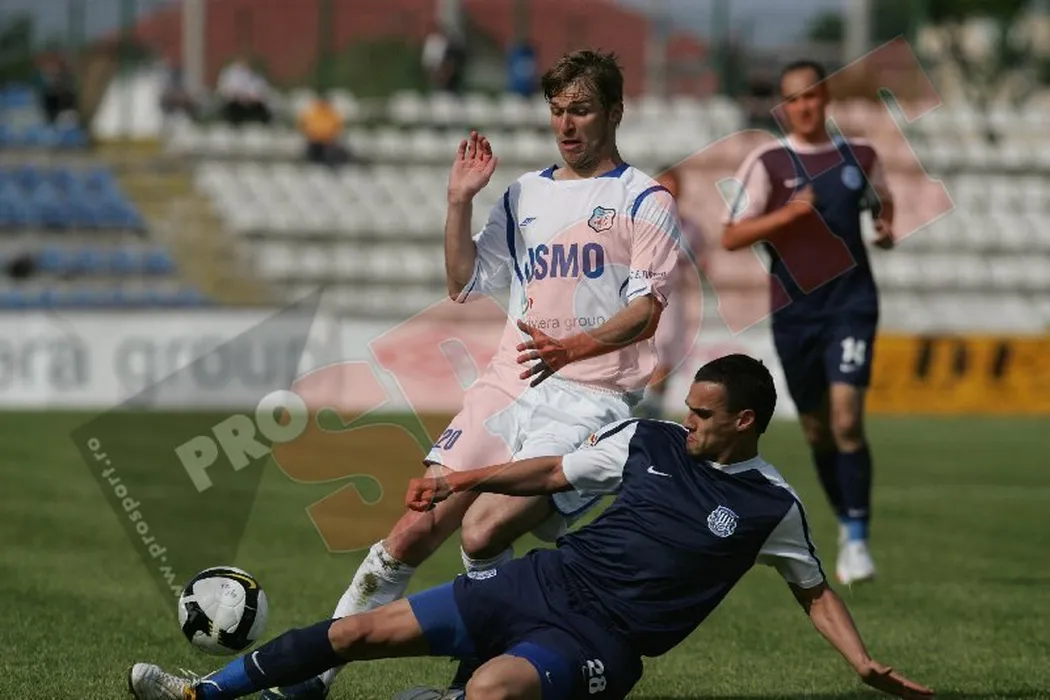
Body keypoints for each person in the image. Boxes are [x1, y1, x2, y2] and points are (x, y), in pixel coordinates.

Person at [127, 354, 934, 700]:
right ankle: (203, 692)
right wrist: (463, 478)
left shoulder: (769, 506)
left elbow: (812, 588)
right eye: (689, 408)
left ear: (745, 422)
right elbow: (551, 475)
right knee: (355, 633)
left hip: (604, 641)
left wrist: (860, 661)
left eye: (704, 414)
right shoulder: (647, 441)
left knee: (489, 691)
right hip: (538, 583)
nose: (688, 421)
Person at [260, 49, 683, 700]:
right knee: (412, 529)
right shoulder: (524, 194)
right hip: (508, 385)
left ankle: (483, 675)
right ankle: (314, 676)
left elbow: (647, 311)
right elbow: (463, 283)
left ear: (615, 112)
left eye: (581, 110)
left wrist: (572, 348)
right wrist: (459, 201)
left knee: (483, 530)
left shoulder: (644, 199)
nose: (566, 124)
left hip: (590, 400)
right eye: (557, 111)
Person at [721, 59, 896, 586]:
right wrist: (789, 215)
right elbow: (731, 235)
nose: (804, 106)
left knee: (846, 419)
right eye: (794, 98)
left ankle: (858, 538)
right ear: (784, 106)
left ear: (826, 98)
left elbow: (882, 201)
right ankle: (846, 520)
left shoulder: (860, 155)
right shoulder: (768, 161)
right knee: (818, 429)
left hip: (851, 304)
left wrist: (885, 225)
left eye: (812, 95)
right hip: (794, 312)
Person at [635, 163, 706, 421]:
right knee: (656, 354)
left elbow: (701, 264)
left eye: (674, 187)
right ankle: (646, 411)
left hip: (674, 299)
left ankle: (651, 412)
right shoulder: (641, 224)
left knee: (668, 358)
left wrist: (695, 265)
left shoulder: (690, 228)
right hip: (646, 295)